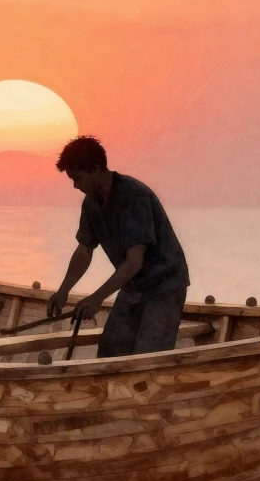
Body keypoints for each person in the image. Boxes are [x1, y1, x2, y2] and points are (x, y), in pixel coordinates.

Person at [47, 136, 190, 357]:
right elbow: (84, 250)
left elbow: (135, 261)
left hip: (165, 285)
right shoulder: (91, 204)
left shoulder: (135, 196)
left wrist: (96, 298)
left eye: (78, 178)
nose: (75, 185)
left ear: (96, 169)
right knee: (110, 352)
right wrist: (64, 290)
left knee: (147, 358)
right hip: (134, 286)